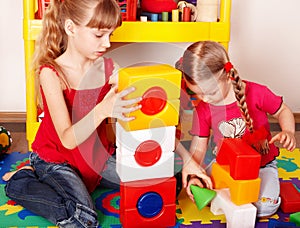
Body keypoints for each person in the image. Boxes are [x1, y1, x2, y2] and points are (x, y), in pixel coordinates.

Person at [2, 0, 143, 227]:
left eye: (110, 34)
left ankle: (57, 186)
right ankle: (21, 181)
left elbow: (132, 102)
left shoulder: (108, 67)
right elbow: (67, 139)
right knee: (83, 219)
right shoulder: (52, 73)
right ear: (70, 28)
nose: (107, 43)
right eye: (99, 35)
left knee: (157, 181)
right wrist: (104, 109)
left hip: (96, 157)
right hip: (57, 158)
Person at [175, 41, 296, 218]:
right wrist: (195, 176)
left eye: (210, 92)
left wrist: (289, 131)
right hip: (224, 167)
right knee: (201, 191)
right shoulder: (203, 109)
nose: (205, 99)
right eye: (198, 93)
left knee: (264, 209)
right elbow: (199, 147)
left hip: (261, 166)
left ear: (225, 75)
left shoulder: (256, 92)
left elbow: (283, 111)